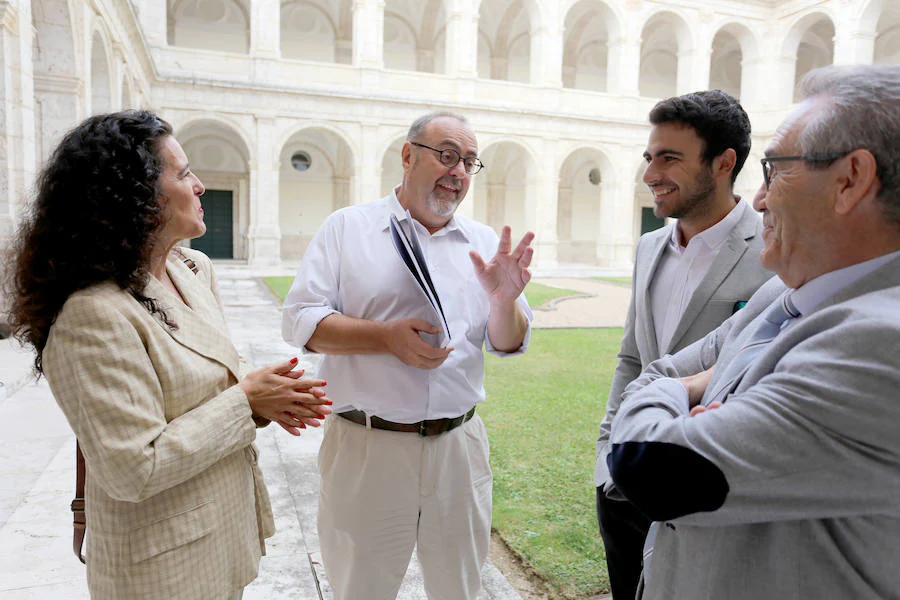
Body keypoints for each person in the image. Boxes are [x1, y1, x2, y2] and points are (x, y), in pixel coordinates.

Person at [4, 110, 332, 600]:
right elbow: (134, 467)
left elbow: (210, 366)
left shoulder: (190, 268)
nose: (199, 185)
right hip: (158, 568)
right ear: (132, 196)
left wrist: (270, 395)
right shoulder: (91, 314)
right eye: (181, 174)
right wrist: (246, 401)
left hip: (219, 534)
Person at [607, 64, 900, 599]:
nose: (760, 198)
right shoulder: (782, 293)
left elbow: (651, 466)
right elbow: (651, 366)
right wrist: (683, 392)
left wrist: (675, 391)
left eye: (774, 170)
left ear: (850, 180)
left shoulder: (882, 345)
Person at [282, 111, 534, 599]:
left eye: (468, 161)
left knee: (459, 589)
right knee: (360, 589)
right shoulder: (347, 229)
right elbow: (300, 321)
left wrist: (505, 301)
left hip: (457, 449)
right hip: (367, 447)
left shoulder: (483, 243)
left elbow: (507, 342)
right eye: (446, 155)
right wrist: (383, 337)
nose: (458, 171)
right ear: (407, 155)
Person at [594, 89, 772, 599]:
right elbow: (632, 358)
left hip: (710, 492)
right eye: (650, 157)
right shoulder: (651, 246)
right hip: (622, 488)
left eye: (669, 158)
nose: (651, 173)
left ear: (723, 163)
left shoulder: (774, 246)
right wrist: (609, 456)